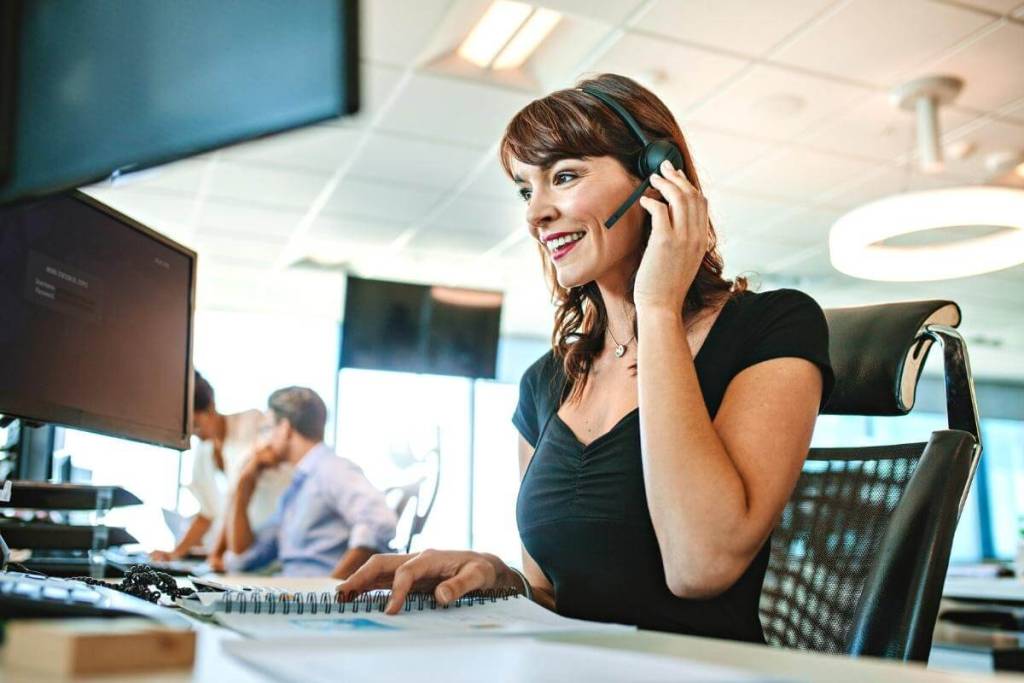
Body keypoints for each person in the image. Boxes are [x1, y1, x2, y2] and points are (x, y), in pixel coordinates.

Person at [338, 73, 834, 643]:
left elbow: (701, 565)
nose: (535, 215)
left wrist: (657, 307)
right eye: (526, 190)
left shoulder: (773, 325)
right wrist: (497, 577)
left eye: (564, 177)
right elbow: (551, 592)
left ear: (658, 178)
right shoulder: (545, 382)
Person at [224, 386, 397, 578]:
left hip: (313, 600)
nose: (264, 440)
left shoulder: (331, 469)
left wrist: (331, 591)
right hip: (292, 592)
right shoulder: (298, 488)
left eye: (267, 429)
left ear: (285, 428)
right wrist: (243, 488)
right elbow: (245, 556)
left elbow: (379, 522)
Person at [151, 371, 292, 569]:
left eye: (196, 425)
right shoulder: (203, 451)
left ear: (211, 408)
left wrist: (218, 552)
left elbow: (240, 492)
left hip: (271, 540)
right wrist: (176, 553)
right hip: (235, 552)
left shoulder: (254, 423)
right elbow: (207, 513)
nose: (195, 434)